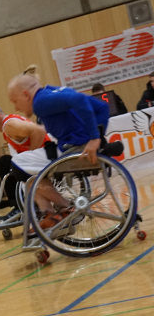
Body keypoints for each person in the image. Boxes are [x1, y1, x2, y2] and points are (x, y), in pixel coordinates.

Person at [8, 69, 109, 228]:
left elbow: (78, 100)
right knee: (30, 178)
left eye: (15, 101)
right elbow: (102, 107)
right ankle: (50, 214)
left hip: (73, 150)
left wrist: (95, 138)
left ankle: (65, 207)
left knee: (17, 164)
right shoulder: (52, 91)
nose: (16, 107)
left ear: (26, 95)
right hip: (75, 147)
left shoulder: (40, 102)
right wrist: (99, 137)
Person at [0, 101, 49, 222]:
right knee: (7, 162)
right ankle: (25, 206)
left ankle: (19, 207)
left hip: (47, 157)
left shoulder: (10, 125)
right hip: (44, 157)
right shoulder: (8, 127)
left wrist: (32, 157)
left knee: (5, 163)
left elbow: (39, 131)